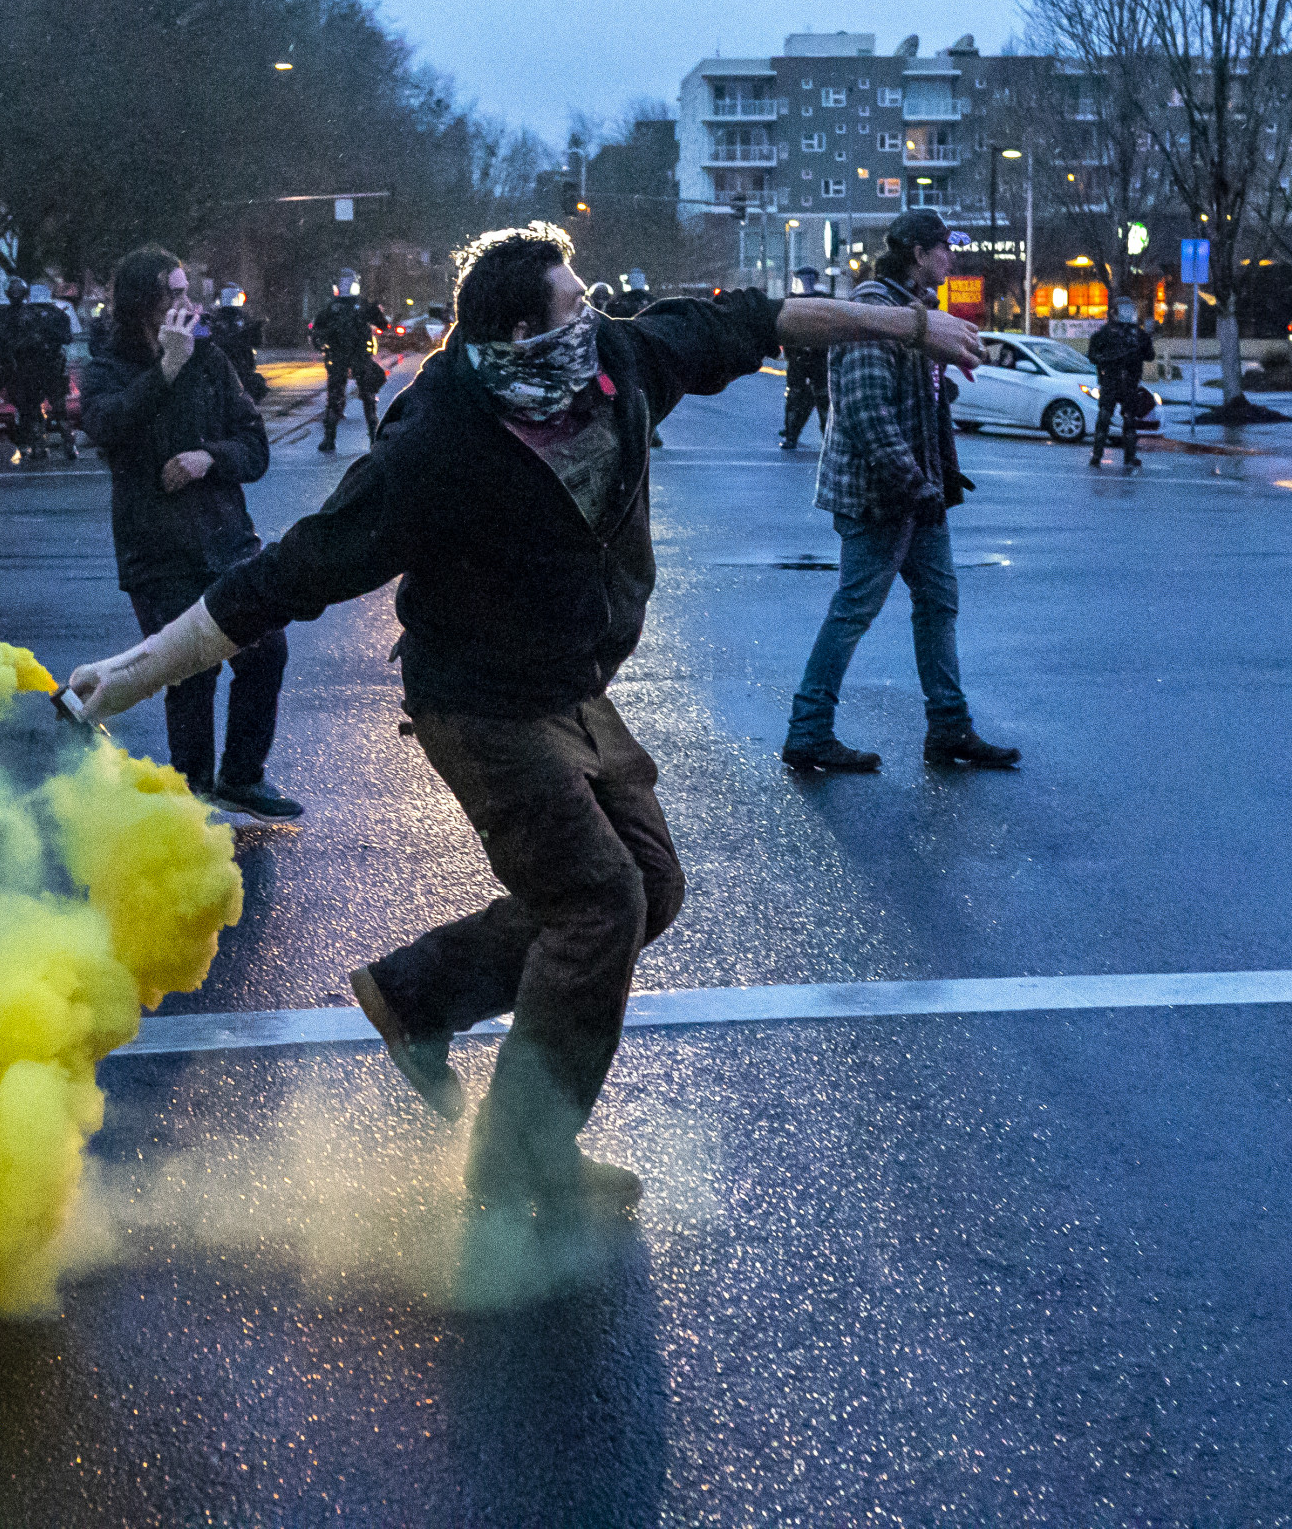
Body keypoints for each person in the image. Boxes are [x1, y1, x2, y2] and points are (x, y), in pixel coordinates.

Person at [63, 220, 989, 1216]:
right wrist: (122, 677)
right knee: (598, 901)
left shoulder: (618, 359)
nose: (594, 316)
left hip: (569, 682)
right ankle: (520, 1159)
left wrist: (904, 324)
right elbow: (281, 577)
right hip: (477, 698)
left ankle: (423, 993)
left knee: (652, 888)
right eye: (573, 304)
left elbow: (761, 319)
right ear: (518, 335)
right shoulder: (441, 445)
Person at [782, 208, 1021, 774]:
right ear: (917, 252)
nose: (951, 258)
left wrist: (937, 467)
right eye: (943, 248)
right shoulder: (872, 311)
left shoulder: (916, 313)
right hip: (880, 495)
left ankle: (949, 728)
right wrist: (915, 484)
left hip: (920, 493)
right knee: (854, 610)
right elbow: (866, 413)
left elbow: (911, 404)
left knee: (938, 603)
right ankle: (808, 731)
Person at [79, 247, 299, 822]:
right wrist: (166, 369)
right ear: (139, 305)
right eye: (171, 293)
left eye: (185, 290)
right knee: (188, 670)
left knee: (265, 650)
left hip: (227, 539)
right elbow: (110, 428)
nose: (185, 303)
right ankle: (193, 791)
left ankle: (242, 776)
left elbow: (254, 446)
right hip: (158, 552)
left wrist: (210, 456)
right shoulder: (105, 368)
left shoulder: (212, 361)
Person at [0, 277, 73, 460]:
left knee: (40, 406)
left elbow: (63, 337)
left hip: (34, 367)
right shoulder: (17, 315)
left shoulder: (39, 314)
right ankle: (40, 443)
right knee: (35, 406)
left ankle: (50, 443)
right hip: (23, 367)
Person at [310, 270, 390, 451]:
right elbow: (383, 325)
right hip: (355, 356)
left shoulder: (333, 308)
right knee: (366, 397)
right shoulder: (353, 307)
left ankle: (330, 438)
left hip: (344, 357)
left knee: (337, 397)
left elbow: (316, 334)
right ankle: (371, 437)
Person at [1086, 298, 1155, 470]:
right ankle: (1120, 457)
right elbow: (1093, 356)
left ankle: (1101, 456)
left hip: (1118, 380)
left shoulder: (1109, 333)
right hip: (1121, 380)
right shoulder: (1134, 334)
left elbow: (1148, 355)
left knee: (1112, 418)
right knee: (1119, 418)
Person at [780, 267, 832, 448]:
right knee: (800, 397)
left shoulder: (816, 300)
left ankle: (794, 434)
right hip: (804, 358)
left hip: (814, 358)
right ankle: (792, 433)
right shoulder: (796, 300)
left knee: (817, 398)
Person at [209, 285, 271, 403]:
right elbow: (256, 341)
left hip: (236, 364)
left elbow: (255, 340)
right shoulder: (236, 318)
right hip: (236, 364)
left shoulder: (218, 317)